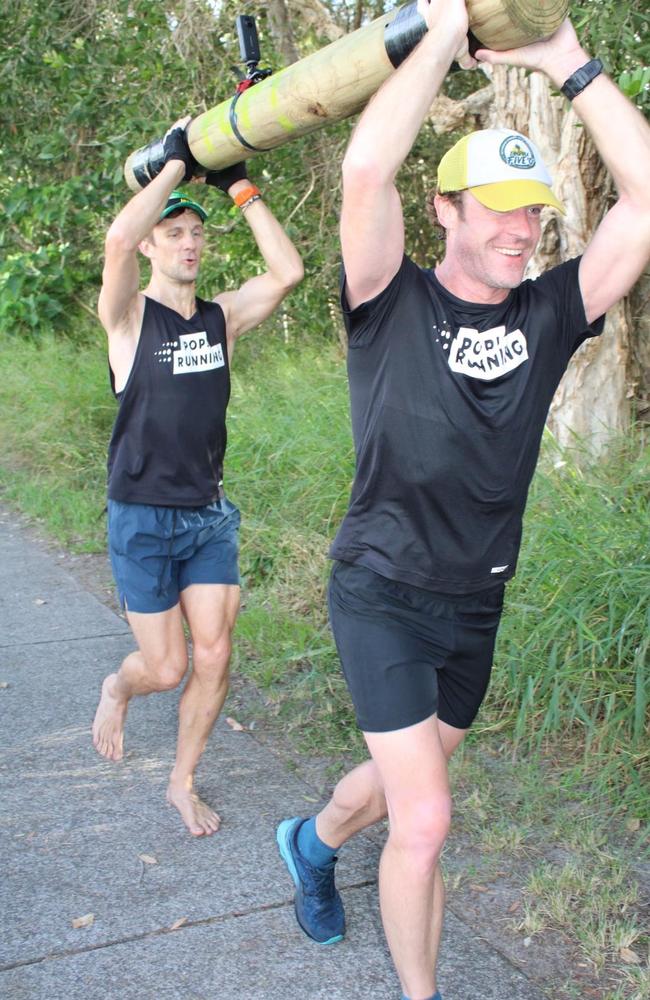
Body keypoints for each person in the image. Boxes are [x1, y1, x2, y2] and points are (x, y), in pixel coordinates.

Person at [276, 2, 650, 997]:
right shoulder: (386, 298)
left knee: (407, 780)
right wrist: (442, 32)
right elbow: (363, 172)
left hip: (472, 602)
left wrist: (566, 56)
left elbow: (644, 202)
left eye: (532, 211)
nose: (522, 230)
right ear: (444, 211)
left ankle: (308, 843)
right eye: (499, 209)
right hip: (381, 588)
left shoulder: (548, 309)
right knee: (427, 816)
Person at [92, 117, 303, 836]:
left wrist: (238, 182)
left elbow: (287, 274)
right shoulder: (126, 319)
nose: (187, 243)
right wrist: (175, 168)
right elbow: (117, 241)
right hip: (143, 517)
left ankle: (181, 782)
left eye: (195, 234)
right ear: (155, 243)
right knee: (164, 669)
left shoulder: (220, 320)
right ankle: (117, 688)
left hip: (207, 515)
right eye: (173, 232)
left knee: (214, 654)